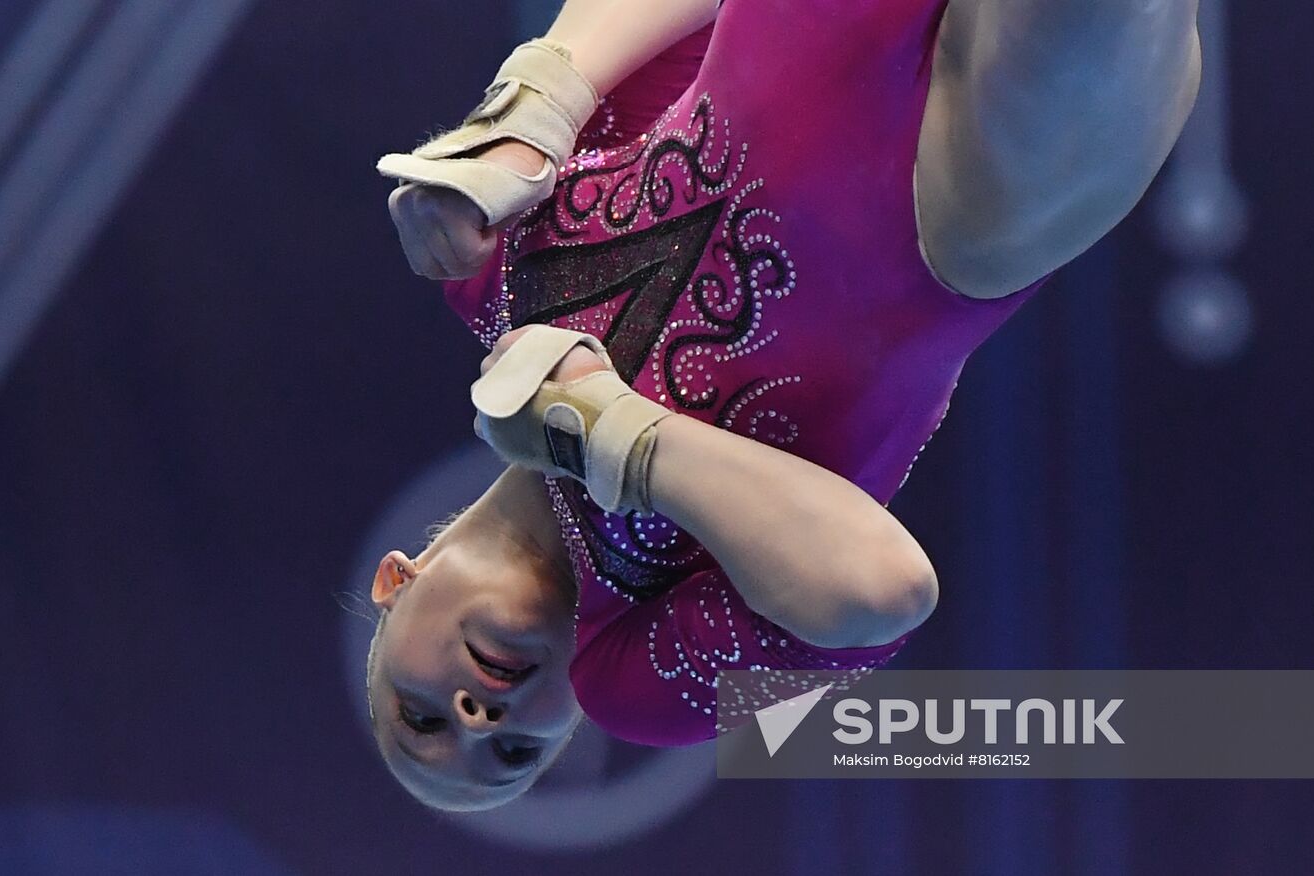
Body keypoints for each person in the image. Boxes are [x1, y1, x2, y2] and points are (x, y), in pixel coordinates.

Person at [368, 0, 1203, 811]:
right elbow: (884, 591)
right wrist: (599, 429)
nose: (479, 719)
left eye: (422, 716)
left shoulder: (484, 271)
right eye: (513, 754)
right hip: (968, 207)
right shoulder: (637, 680)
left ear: (396, 584)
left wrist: (531, 107)